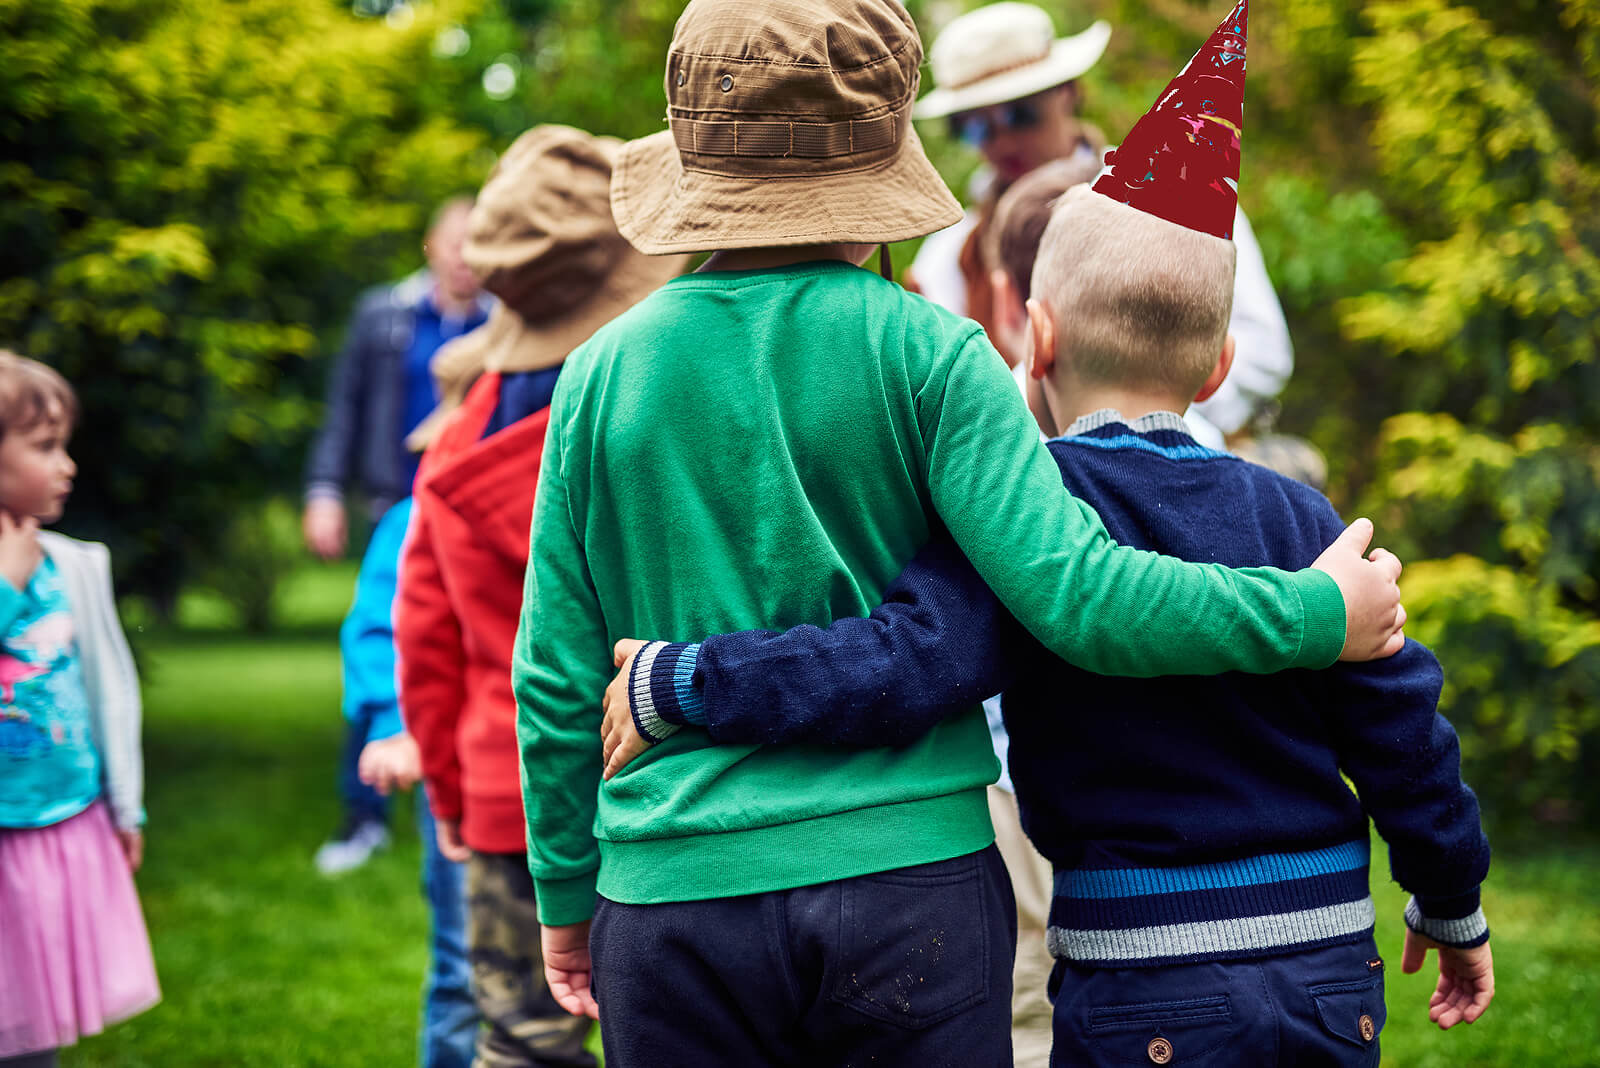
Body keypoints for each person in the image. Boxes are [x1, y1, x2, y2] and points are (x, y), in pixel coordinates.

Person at [512, 0, 1406, 1064]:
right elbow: (1083, 598)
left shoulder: (599, 375)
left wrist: (564, 894)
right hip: (911, 900)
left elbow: (556, 677)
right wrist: (1317, 609)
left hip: (672, 899)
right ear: (881, 170)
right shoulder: (936, 356)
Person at [397, 126, 683, 1068]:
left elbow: (425, 644)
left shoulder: (450, 451)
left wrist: (446, 784)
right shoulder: (658, 419)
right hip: (671, 774)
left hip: (503, 798)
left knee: (522, 1042)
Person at [906, 1, 1292, 452]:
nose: (1002, 140)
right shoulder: (950, 254)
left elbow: (1262, 353)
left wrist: (1157, 415)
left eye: (1019, 113)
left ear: (1067, 93)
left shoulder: (1175, 195)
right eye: (973, 127)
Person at [307, 197, 493, 876]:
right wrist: (324, 492)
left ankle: (453, 798)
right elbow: (344, 410)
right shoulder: (383, 315)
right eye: (455, 245)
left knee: (460, 651)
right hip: (400, 503)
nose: (465, 258)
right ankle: (365, 810)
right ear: (430, 248)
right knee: (384, 636)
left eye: (479, 247)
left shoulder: (505, 325)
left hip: (477, 501)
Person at [0, 351, 160, 1067]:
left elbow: (112, 692)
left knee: (39, 1014)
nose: (65, 466)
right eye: (42, 447)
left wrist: (125, 806)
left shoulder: (76, 565)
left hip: (62, 823)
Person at [335, 497, 480, 1068]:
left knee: (588, 969)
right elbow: (382, 621)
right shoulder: (421, 513)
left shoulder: (580, 483)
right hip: (463, 767)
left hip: (572, 765)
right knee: (463, 962)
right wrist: (398, 720)